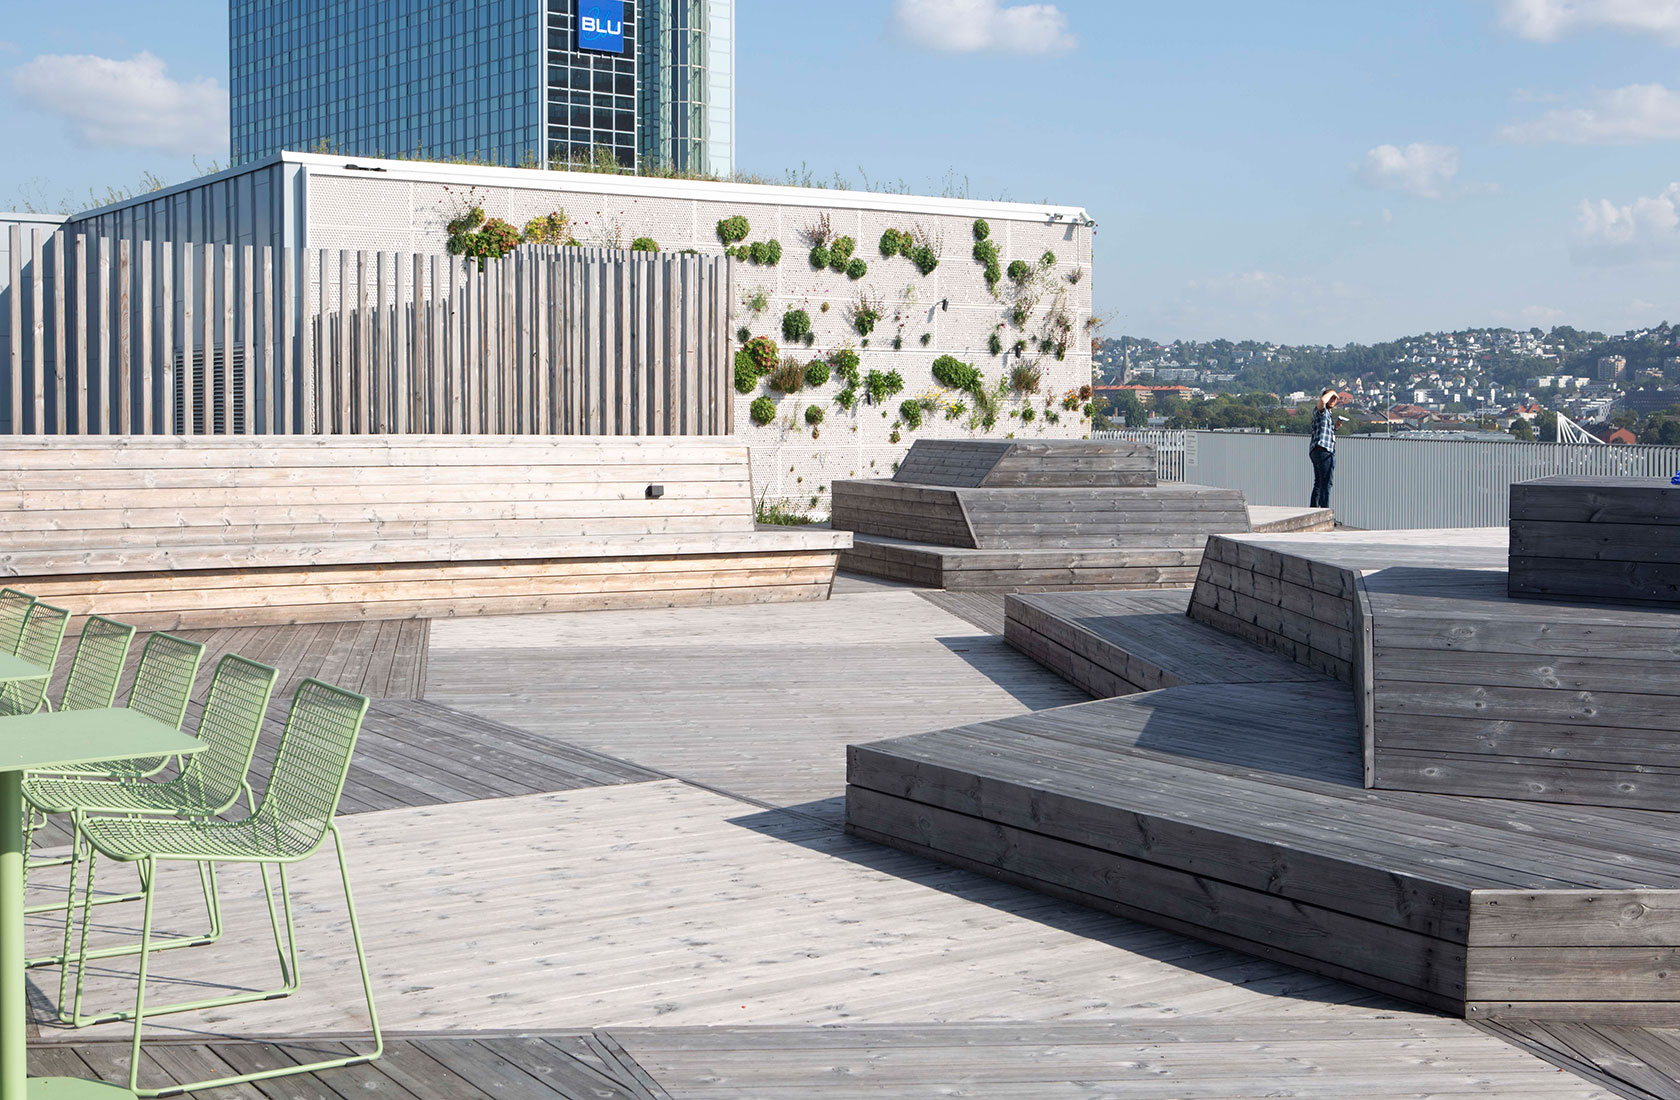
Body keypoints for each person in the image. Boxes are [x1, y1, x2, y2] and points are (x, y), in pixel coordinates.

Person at [1309, 388, 1339, 510]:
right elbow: (1321, 401)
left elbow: (1324, 431)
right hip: (1323, 450)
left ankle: (1314, 509)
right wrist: (1332, 393)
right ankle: (1324, 510)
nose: (1332, 400)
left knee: (1319, 483)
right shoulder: (1321, 410)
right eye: (1330, 398)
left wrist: (1335, 427)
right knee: (1326, 482)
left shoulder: (1327, 415)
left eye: (1335, 399)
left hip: (1318, 450)